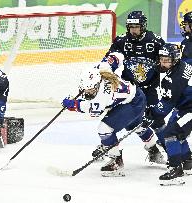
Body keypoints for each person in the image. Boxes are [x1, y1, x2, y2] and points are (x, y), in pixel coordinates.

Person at [62, 63, 158, 177]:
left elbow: (92, 110)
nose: (88, 93)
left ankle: (116, 162)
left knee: (104, 129)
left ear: (97, 84)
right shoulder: (101, 72)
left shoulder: (101, 96)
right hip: (134, 97)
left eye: (91, 90)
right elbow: (114, 59)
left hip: (133, 103)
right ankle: (154, 150)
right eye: (86, 90)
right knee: (134, 125)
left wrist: (72, 104)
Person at [95, 11, 166, 162]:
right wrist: (99, 71)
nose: (133, 30)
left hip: (150, 88)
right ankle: (107, 146)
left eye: (137, 27)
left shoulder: (155, 41)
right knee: (118, 117)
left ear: (143, 26)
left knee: (156, 119)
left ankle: (168, 149)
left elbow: (168, 61)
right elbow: (109, 60)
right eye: (131, 27)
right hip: (130, 89)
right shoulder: (121, 41)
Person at [143, 43, 192, 185]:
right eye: (161, 59)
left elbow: (167, 103)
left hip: (190, 108)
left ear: (175, 60)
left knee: (170, 133)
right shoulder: (182, 65)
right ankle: (187, 161)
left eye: (167, 60)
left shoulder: (173, 79)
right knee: (175, 128)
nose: (163, 63)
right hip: (185, 106)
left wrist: (152, 114)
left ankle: (176, 169)